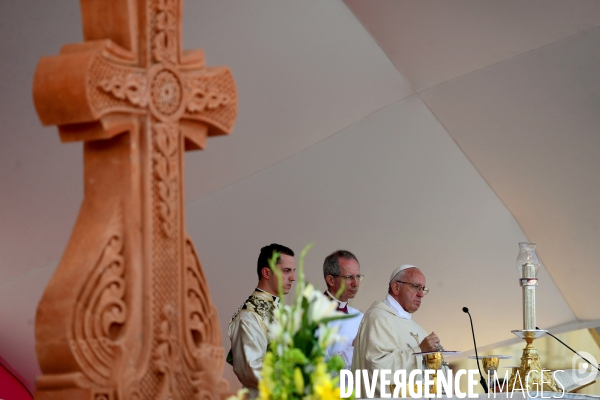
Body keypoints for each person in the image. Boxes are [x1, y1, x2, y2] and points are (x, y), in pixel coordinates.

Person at [351, 264, 441, 398]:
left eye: (423, 289)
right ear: (396, 287)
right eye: (416, 287)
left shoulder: (419, 330)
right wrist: (419, 350)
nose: (421, 294)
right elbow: (377, 367)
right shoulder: (377, 318)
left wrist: (437, 360)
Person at [227, 244, 296, 397]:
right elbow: (250, 370)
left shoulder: (283, 311)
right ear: (266, 272)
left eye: (293, 271)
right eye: (286, 271)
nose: (293, 277)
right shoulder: (248, 317)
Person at [322, 250, 364, 370]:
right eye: (348, 277)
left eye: (358, 277)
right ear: (331, 280)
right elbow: (316, 370)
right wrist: (354, 350)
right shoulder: (311, 316)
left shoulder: (359, 317)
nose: (355, 283)